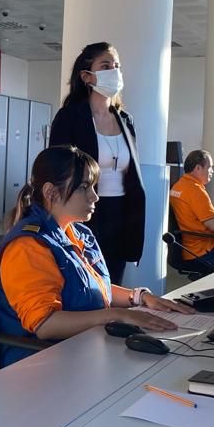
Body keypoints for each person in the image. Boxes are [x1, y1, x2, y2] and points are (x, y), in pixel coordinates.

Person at [0, 145, 192, 366]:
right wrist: (117, 315)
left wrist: (139, 297)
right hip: (41, 363)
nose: (95, 196)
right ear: (51, 192)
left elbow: (90, 290)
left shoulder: (78, 232)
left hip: (85, 348)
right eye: (84, 187)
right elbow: (46, 324)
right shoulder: (28, 246)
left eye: (93, 186)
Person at [49, 42, 143, 285]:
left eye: (117, 66)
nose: (114, 71)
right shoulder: (70, 117)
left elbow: (132, 173)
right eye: (106, 66)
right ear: (86, 76)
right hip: (85, 210)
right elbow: (56, 167)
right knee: (87, 281)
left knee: (114, 283)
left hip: (121, 213)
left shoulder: (125, 120)